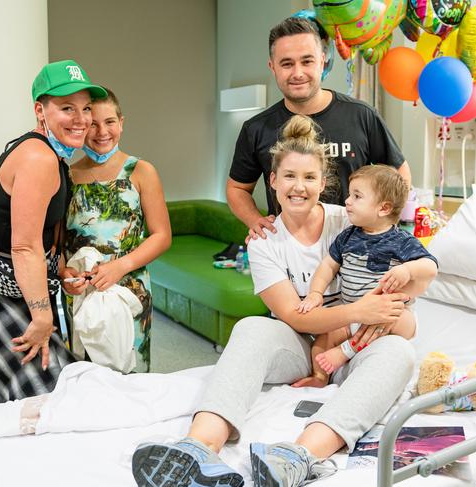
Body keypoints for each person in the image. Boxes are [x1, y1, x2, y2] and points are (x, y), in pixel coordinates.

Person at [131, 115, 415, 487]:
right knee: (251, 327)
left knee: (400, 354)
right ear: (273, 181)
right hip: (297, 346)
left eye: (310, 177)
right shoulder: (264, 240)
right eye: (290, 177)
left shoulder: (348, 222)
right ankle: (198, 447)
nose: (299, 187)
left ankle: (300, 456)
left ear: (325, 182)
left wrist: (374, 316)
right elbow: (293, 319)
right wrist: (361, 309)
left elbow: (404, 307)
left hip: (352, 345)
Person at [0, 60, 107, 415]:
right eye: (67, 108)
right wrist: (43, 317)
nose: (81, 119)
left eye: (85, 108)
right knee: (45, 393)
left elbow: (36, 237)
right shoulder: (39, 157)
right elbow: (24, 247)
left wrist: (57, 273)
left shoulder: (48, 153)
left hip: (3, 280)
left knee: (5, 392)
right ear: (40, 110)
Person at [227, 15, 412, 239]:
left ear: (322, 61)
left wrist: (381, 228)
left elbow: (399, 174)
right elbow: (237, 189)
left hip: (354, 252)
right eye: (287, 63)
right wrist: (255, 220)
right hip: (290, 254)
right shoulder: (256, 128)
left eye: (307, 61)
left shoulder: (361, 115)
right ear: (272, 67)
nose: (298, 73)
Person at [297, 165, 438, 388]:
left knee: (399, 320)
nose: (347, 201)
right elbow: (327, 267)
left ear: (383, 208)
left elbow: (430, 267)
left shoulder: (401, 241)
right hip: (354, 312)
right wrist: (315, 294)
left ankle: (347, 350)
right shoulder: (348, 236)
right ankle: (319, 378)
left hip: (389, 316)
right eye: (350, 195)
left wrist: (407, 270)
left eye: (357, 196)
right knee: (322, 340)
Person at [62, 88, 171, 373]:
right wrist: (66, 274)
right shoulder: (67, 176)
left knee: (130, 375)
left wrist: (120, 267)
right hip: (82, 292)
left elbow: (161, 235)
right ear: (82, 126)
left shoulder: (141, 171)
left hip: (130, 288)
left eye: (109, 122)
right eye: (92, 124)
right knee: (85, 374)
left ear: (121, 122)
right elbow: (57, 243)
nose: (101, 132)